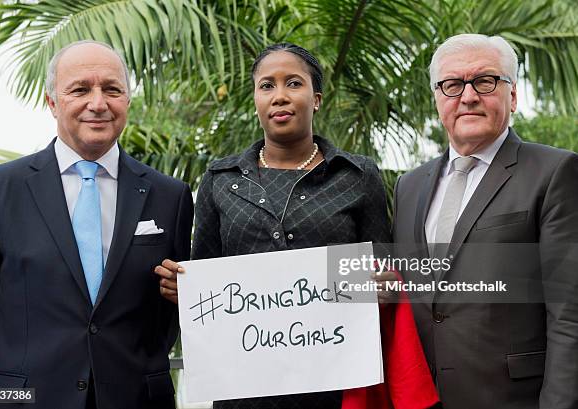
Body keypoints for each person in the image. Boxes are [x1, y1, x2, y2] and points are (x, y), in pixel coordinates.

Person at [156, 43, 438, 409]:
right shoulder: (220, 179)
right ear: (256, 98)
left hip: (337, 388)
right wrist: (184, 290)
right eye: (267, 86)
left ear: (316, 98)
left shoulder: (357, 176)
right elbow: (206, 280)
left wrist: (385, 287)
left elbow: (381, 269)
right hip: (244, 390)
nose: (280, 96)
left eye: (293, 83)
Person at [0, 41, 193, 409]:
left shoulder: (171, 195)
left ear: (127, 101)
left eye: (112, 89)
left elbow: (169, 314)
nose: (99, 103)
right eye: (80, 89)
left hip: (136, 398)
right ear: (52, 102)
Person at [392, 33, 578, 409]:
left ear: (512, 96)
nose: (468, 95)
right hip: (425, 399)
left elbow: (570, 311)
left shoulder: (556, 172)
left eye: (485, 81)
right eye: (452, 84)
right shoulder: (408, 186)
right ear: (437, 99)